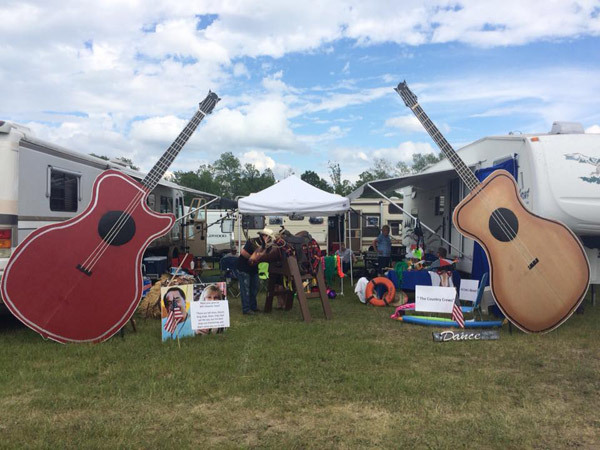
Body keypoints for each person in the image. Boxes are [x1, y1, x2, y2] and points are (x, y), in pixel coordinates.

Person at [237, 227, 274, 315]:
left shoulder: (267, 246)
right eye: (267, 236)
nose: (269, 239)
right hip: (244, 268)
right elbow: (243, 253)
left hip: (254, 269)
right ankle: (246, 309)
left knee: (254, 288)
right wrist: (252, 258)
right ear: (263, 235)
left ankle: (253, 307)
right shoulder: (252, 242)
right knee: (245, 289)